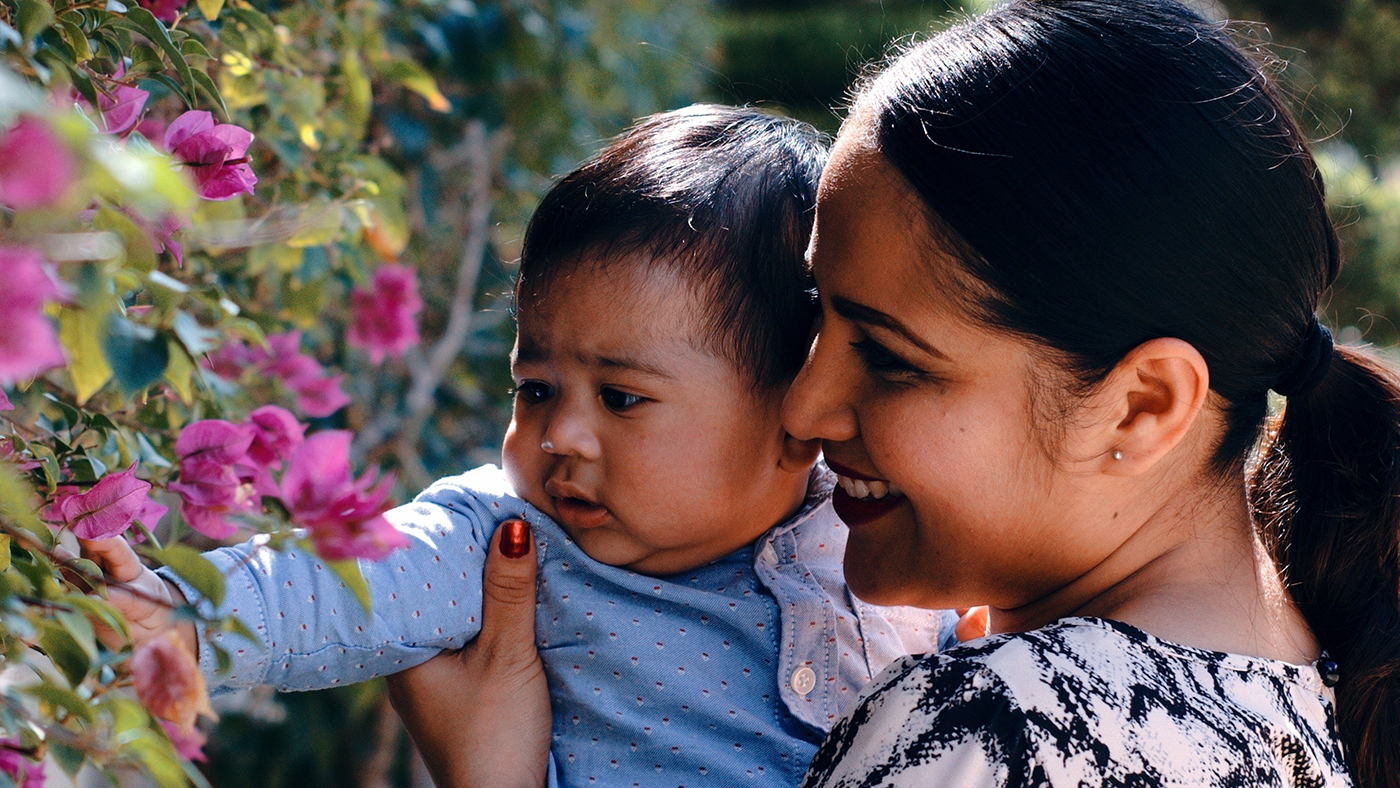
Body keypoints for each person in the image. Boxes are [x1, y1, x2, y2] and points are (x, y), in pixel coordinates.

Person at [395, 0, 1400, 785]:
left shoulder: (989, 731)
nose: (799, 407)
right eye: (812, 319)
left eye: (886, 356)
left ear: (1140, 404)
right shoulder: (1303, 699)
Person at [83, 104, 962, 788]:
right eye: (535, 388)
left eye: (622, 398)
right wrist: (186, 619)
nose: (560, 436)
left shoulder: (881, 538)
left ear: (794, 409)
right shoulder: (509, 542)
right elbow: (357, 572)